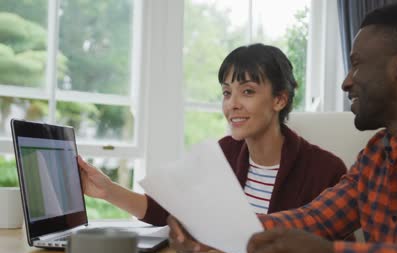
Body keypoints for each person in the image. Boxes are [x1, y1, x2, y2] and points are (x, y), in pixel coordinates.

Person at [168, 2, 397, 253]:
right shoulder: (376, 157)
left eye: (357, 65)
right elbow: (313, 219)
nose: (346, 82)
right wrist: (209, 231)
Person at [78, 44, 347, 227]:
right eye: (227, 92)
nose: (232, 104)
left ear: (279, 99)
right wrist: (108, 190)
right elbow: (167, 210)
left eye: (248, 91)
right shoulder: (224, 153)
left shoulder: (325, 170)